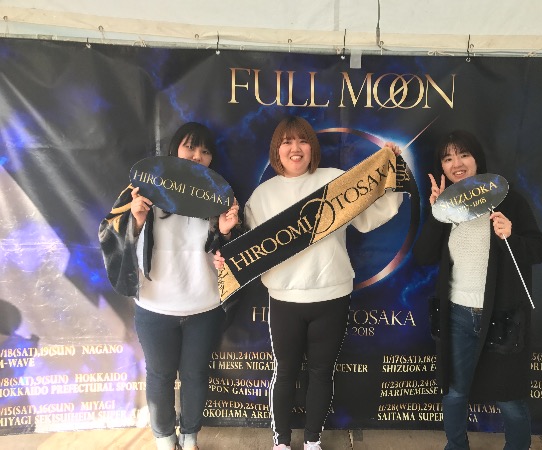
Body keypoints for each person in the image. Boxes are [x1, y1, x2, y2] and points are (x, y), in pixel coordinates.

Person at [215, 116, 404, 450]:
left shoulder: (335, 181)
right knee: (285, 372)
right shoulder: (263, 194)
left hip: (333, 295)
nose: (295, 148)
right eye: (287, 141)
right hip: (285, 300)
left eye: (302, 140)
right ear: (277, 150)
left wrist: (392, 170)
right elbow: (248, 250)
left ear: (312, 147)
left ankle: (313, 441)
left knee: (321, 372)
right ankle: (281, 442)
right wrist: (227, 241)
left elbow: (369, 218)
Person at [99, 122, 240, 450]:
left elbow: (232, 255)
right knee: (160, 376)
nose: (197, 156)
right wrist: (136, 220)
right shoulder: (144, 188)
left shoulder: (219, 194)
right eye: (190, 147)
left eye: (205, 151)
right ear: (175, 149)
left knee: (195, 375)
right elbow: (109, 233)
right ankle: (164, 438)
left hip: (204, 304)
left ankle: (190, 438)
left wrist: (226, 232)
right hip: (155, 305)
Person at [413, 130, 542, 450]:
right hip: (457, 315)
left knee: (509, 399)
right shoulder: (446, 208)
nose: (457, 163)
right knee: (455, 392)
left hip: (502, 317)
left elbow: (539, 250)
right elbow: (423, 256)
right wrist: (437, 213)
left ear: (477, 159)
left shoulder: (509, 200)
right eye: (448, 158)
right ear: (442, 167)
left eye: (464, 155)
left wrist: (511, 235)